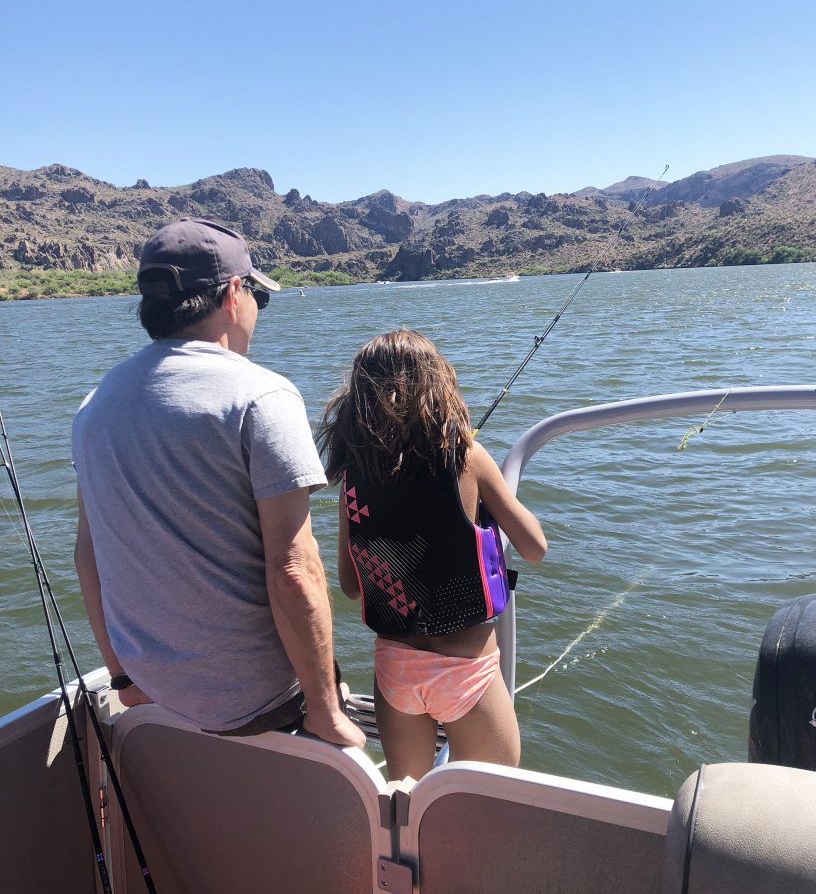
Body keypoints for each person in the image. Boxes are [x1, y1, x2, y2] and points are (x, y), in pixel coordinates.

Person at [72, 218, 364, 747]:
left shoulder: (94, 406)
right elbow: (293, 569)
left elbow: (86, 555)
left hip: (150, 689)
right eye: (258, 297)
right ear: (233, 294)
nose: (257, 311)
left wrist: (122, 677)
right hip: (255, 703)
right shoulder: (261, 396)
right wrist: (325, 710)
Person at [318, 330, 546, 779]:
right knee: (489, 802)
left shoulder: (353, 478)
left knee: (407, 803)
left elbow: (349, 584)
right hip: (467, 673)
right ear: (439, 385)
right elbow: (535, 548)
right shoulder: (467, 457)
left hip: (396, 669)